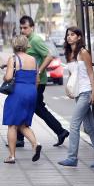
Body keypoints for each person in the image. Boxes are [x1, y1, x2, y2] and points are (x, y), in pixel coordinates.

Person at [12, 16, 69, 148]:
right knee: (35, 108)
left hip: (37, 82)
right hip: (30, 82)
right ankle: (60, 131)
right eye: (21, 28)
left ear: (32, 27)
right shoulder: (25, 41)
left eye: (25, 27)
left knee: (29, 107)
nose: (23, 30)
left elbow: (49, 56)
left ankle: (21, 138)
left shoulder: (35, 40)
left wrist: (39, 71)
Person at [58, 27, 94, 168]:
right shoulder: (69, 53)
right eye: (68, 35)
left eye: (72, 35)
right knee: (90, 127)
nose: (69, 37)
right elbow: (73, 74)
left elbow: (91, 73)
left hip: (86, 92)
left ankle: (72, 157)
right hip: (78, 93)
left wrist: (93, 92)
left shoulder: (83, 52)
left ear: (79, 37)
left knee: (74, 124)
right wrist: (68, 87)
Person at [3, 35, 42, 164]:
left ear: (14, 45)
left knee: (12, 124)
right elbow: (37, 80)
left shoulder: (13, 59)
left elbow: (8, 78)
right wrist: (32, 92)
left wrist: (5, 75)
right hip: (31, 92)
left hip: (18, 92)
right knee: (23, 124)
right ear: (26, 45)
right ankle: (35, 144)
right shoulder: (34, 60)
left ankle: (12, 156)